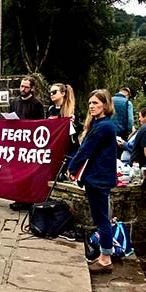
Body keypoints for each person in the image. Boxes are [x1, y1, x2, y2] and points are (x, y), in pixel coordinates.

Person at [68, 89, 117, 274]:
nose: (91, 106)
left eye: (95, 103)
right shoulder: (100, 124)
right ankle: (104, 255)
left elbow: (86, 150)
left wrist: (72, 168)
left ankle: (105, 259)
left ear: (105, 104)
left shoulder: (103, 126)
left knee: (102, 219)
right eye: (90, 103)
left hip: (99, 179)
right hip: (97, 178)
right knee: (99, 218)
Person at [8, 76, 44, 211]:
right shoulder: (14, 102)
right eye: (21, 86)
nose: (22, 89)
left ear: (32, 89)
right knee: (15, 172)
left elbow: (41, 124)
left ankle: (27, 199)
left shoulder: (37, 104)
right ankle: (18, 197)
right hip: (16, 143)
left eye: (26, 87)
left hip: (29, 145)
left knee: (28, 174)